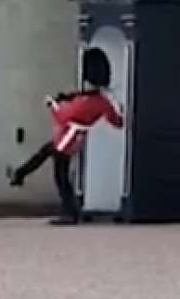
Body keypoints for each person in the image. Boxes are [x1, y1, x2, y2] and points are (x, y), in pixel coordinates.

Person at [9, 48, 124, 225]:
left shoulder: (88, 101)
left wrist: (52, 104)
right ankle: (20, 174)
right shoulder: (100, 101)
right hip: (71, 137)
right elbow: (115, 121)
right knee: (43, 154)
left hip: (67, 138)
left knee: (61, 177)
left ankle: (70, 213)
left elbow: (64, 115)